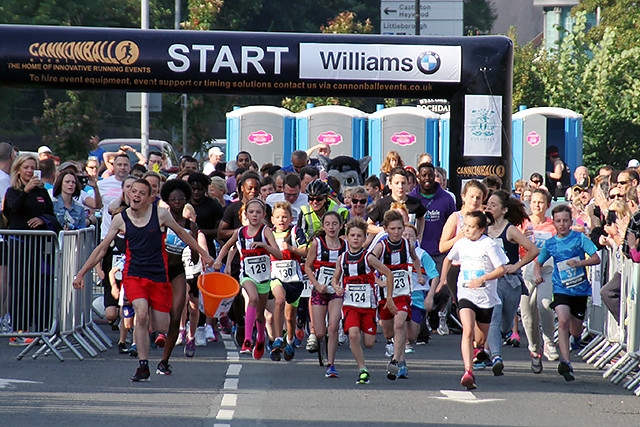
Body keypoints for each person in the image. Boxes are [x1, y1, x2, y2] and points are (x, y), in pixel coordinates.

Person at [73, 179, 214, 382]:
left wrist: (204, 254)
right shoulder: (120, 219)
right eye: (133, 191)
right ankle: (143, 365)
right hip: (134, 274)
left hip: (158, 275)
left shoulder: (160, 215)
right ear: (128, 195)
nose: (136, 195)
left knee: (162, 327)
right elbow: (102, 248)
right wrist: (81, 273)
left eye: (141, 192)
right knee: (140, 313)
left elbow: (183, 234)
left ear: (150, 198)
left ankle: (152, 325)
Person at [437, 211, 507, 390]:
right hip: (466, 293)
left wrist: (483, 279)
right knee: (467, 329)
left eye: (471, 227)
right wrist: (443, 279)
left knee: (480, 339)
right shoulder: (461, 243)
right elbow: (447, 259)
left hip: (486, 297)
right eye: (465, 225)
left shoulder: (489, 245)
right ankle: (468, 371)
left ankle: (479, 348)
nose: (466, 230)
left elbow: (501, 269)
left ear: (482, 229)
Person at [534, 204, 600, 382]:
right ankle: (566, 362)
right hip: (561, 288)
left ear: (571, 222)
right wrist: (537, 275)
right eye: (558, 221)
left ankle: (576, 339)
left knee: (575, 329)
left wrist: (579, 263)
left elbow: (596, 258)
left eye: (565, 221)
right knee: (562, 320)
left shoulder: (579, 238)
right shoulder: (551, 243)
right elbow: (538, 262)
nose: (562, 224)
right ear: (553, 223)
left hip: (579, 289)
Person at [214, 198, 283, 359]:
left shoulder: (266, 231)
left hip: (264, 279)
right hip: (247, 276)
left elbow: (279, 254)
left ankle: (260, 338)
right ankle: (247, 340)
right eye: (251, 212)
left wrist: (265, 246)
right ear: (245, 214)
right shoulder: (240, 232)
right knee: (251, 298)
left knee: (260, 315)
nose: (254, 215)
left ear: (264, 215)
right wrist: (219, 260)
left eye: (258, 212)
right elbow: (227, 246)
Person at [4, 153, 60, 344]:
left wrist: (43, 220)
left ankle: (41, 329)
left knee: (38, 287)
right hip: (20, 245)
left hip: (39, 247)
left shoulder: (42, 192)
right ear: (18, 169)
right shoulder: (12, 191)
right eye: (26, 167)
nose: (29, 171)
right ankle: (18, 329)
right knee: (20, 287)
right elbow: (11, 211)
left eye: (32, 167)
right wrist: (25, 191)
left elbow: (53, 216)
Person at [332, 218, 394, 385]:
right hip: (350, 304)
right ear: (347, 237)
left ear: (365, 238)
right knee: (353, 334)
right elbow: (335, 278)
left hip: (368, 305)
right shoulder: (342, 258)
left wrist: (388, 298)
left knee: (369, 343)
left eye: (359, 236)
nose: (355, 239)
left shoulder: (369, 258)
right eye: (352, 235)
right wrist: (336, 287)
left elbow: (388, 274)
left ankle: (375, 346)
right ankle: (362, 369)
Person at [483, 190, 539, 376]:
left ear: (504, 210)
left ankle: (501, 337)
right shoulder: (482, 229)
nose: (489, 208)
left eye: (493, 205)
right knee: (494, 314)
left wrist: (516, 265)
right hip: (491, 280)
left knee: (504, 323)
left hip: (509, 282)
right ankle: (495, 356)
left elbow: (533, 250)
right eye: (488, 204)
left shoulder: (510, 230)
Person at [370, 210, 425, 380]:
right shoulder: (381, 246)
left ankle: (398, 362)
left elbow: (415, 258)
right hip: (386, 294)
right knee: (388, 332)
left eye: (399, 228)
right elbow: (369, 263)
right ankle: (396, 351)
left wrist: (419, 274)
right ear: (385, 229)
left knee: (400, 323)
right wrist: (378, 281)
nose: (396, 232)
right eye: (393, 228)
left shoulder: (407, 244)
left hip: (402, 292)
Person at [156, 179, 204, 374]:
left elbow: (193, 255)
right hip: (159, 270)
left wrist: (193, 249)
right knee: (158, 314)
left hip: (178, 272)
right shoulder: (160, 221)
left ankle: (164, 361)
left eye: (181, 198)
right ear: (167, 200)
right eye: (173, 198)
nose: (177, 201)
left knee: (177, 314)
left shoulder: (190, 226)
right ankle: (153, 336)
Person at [409, 162, 456, 337]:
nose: (427, 178)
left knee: (443, 289)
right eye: (424, 175)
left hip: (439, 251)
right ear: (418, 177)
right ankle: (421, 327)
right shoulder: (411, 198)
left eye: (430, 175)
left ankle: (435, 312)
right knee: (419, 289)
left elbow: (453, 223)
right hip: (418, 252)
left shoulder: (446, 198)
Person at [520, 188, 560, 367]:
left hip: (547, 268)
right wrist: (522, 238)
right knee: (528, 313)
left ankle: (549, 341)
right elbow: (514, 245)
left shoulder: (553, 225)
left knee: (544, 305)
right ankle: (534, 347)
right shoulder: (523, 223)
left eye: (541, 202)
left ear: (548, 205)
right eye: (534, 201)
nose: (537, 205)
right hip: (527, 268)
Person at [304, 211, 346, 377]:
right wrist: (316, 284)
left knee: (334, 326)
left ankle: (331, 364)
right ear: (323, 226)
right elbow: (308, 266)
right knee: (320, 333)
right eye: (328, 224)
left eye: (335, 224)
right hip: (320, 289)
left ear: (341, 226)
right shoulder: (317, 243)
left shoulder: (345, 245)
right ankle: (321, 338)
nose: (331, 227)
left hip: (336, 290)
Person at [268, 201, 307, 362]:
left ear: (291, 218)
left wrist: (291, 248)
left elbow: (306, 251)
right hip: (276, 276)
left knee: (290, 317)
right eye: (278, 217)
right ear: (272, 219)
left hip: (294, 278)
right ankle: (278, 338)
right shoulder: (268, 233)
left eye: (284, 217)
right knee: (279, 301)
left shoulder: (296, 231)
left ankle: (289, 340)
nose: (281, 220)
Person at [439, 180, 488, 305]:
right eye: (471, 196)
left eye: (478, 198)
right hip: (457, 267)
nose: (474, 201)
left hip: (479, 267)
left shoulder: (484, 219)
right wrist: (458, 238)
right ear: (463, 196)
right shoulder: (455, 217)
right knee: (463, 305)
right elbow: (442, 246)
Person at [367, 167, 426, 240]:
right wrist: (386, 230)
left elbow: (421, 218)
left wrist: (419, 236)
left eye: (403, 183)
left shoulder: (415, 203)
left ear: (408, 184)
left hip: (408, 244)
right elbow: (368, 226)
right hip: (388, 245)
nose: (400, 186)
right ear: (390, 185)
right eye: (397, 183)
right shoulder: (382, 203)